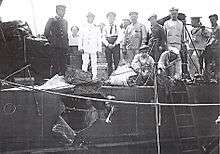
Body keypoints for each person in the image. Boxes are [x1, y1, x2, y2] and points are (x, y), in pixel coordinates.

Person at [44, 4, 68, 76]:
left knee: (63, 63)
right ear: (57, 11)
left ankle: (62, 79)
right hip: (54, 46)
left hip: (63, 46)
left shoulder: (65, 22)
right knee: (55, 63)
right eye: (60, 10)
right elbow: (46, 32)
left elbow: (65, 34)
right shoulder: (51, 20)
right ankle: (54, 79)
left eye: (63, 11)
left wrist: (66, 45)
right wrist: (52, 41)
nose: (62, 12)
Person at [78, 12, 102, 80]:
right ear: (87, 18)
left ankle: (94, 76)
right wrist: (80, 47)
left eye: (91, 17)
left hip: (93, 48)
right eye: (89, 17)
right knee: (85, 62)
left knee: (94, 63)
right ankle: (84, 76)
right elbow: (80, 38)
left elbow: (99, 39)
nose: (90, 18)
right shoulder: (83, 27)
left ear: (93, 18)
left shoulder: (97, 28)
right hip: (85, 48)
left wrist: (99, 49)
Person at [102, 12, 121, 76]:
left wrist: (115, 44)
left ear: (114, 18)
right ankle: (109, 76)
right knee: (109, 62)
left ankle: (117, 76)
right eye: (109, 17)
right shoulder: (105, 27)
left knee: (116, 61)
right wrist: (107, 44)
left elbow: (120, 36)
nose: (111, 19)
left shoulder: (117, 27)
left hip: (115, 45)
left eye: (112, 17)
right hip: (108, 46)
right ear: (107, 18)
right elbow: (103, 38)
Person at [204, 14, 220, 82]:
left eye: (213, 20)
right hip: (211, 49)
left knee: (217, 64)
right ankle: (209, 78)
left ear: (216, 20)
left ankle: (216, 78)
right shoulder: (211, 29)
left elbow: (216, 39)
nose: (211, 21)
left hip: (217, 49)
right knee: (208, 63)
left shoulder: (218, 29)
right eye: (210, 20)